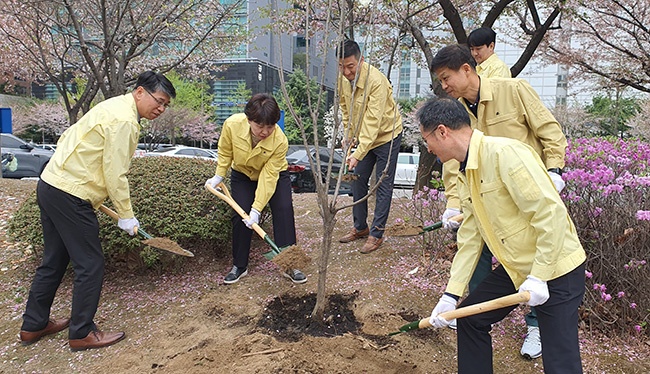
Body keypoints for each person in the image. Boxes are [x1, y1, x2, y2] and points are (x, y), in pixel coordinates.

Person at [419, 97, 586, 374]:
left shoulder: (506, 154)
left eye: (427, 139)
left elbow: (551, 216)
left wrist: (540, 275)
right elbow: (471, 236)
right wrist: (451, 294)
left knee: (560, 361)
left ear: (442, 131)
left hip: (556, 266)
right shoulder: (465, 171)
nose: (428, 147)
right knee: (471, 318)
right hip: (518, 264)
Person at [19, 71, 176, 351]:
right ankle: (82, 332)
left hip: (52, 184)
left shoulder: (112, 105)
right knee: (90, 264)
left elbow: (69, 137)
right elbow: (116, 173)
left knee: (53, 260)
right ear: (140, 92)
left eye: (165, 105)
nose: (161, 109)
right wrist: (126, 214)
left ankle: (33, 324)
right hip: (72, 195)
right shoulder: (125, 120)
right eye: (159, 101)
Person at [431, 44, 567, 359]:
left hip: (525, 198)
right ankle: (473, 310)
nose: (444, 86)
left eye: (446, 77)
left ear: (467, 68)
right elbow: (454, 163)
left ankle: (535, 326)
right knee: (477, 251)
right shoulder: (456, 114)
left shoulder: (513, 90)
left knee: (535, 261)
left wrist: (554, 169)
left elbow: (549, 130)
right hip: (485, 200)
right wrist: (454, 202)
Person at [205, 93, 307, 285]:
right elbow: (225, 150)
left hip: (274, 175)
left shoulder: (280, 141)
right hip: (243, 174)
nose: (265, 131)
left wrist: (257, 209)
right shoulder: (232, 125)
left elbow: (269, 178)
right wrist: (219, 175)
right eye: (260, 126)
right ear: (249, 119)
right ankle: (239, 266)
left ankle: (290, 264)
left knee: (284, 209)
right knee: (240, 215)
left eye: (270, 126)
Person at [336, 39, 403, 254]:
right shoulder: (343, 80)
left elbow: (373, 123)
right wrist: (349, 137)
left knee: (383, 184)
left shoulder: (376, 81)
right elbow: (346, 110)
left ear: (361, 61)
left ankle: (377, 234)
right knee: (356, 179)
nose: (346, 72)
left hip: (387, 136)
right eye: (342, 67)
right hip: (362, 138)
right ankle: (360, 227)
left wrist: (358, 152)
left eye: (350, 66)